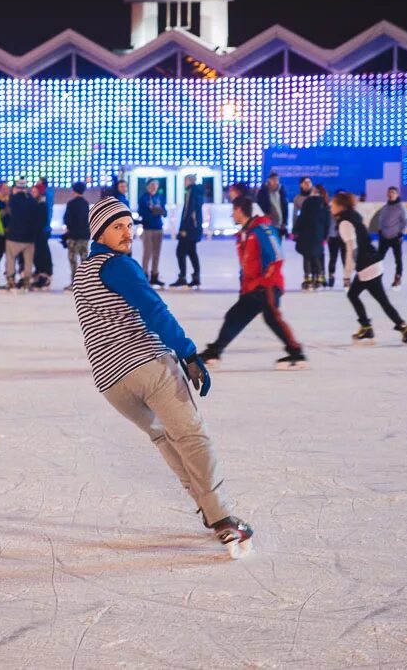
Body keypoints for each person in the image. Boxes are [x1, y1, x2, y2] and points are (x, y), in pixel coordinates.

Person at [71, 196, 254, 554]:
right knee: (191, 436)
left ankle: (207, 509)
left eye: (128, 225)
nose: (127, 233)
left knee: (164, 439)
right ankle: (221, 518)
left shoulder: (83, 271)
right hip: (145, 365)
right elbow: (154, 310)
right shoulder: (119, 265)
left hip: (111, 383)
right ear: (100, 233)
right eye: (117, 227)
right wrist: (187, 352)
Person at [198, 196, 307, 370]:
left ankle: (297, 354)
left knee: (272, 318)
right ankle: (214, 352)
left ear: (240, 210)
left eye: (233, 210)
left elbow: (277, 257)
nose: (232, 214)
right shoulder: (246, 234)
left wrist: (265, 282)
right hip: (253, 288)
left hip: (267, 286)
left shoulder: (262, 230)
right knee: (234, 316)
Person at [331, 192, 407, 344]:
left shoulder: (345, 223)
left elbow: (352, 250)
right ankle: (402, 329)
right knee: (374, 299)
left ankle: (369, 328)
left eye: (333, 204)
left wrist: (346, 275)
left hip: (367, 267)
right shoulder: (354, 216)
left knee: (359, 296)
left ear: (340, 206)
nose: (330, 207)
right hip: (375, 262)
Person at [292, 182, 329, 290]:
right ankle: (318, 277)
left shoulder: (308, 202)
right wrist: (325, 235)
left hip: (306, 233)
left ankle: (308, 278)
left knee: (307, 256)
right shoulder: (325, 204)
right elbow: (327, 222)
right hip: (318, 234)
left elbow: (301, 217)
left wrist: (295, 230)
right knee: (316, 256)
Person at [2, 177, 37, 291]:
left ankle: (11, 281)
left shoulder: (12, 199)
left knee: (11, 258)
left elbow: (8, 214)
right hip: (29, 237)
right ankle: (26, 281)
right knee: (28, 261)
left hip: (14, 236)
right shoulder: (32, 200)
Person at [170, 174, 203, 289]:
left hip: (189, 228)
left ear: (189, 181)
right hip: (195, 227)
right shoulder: (198, 192)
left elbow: (188, 210)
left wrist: (183, 228)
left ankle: (183, 277)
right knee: (192, 252)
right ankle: (196, 277)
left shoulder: (191, 192)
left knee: (180, 251)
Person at [377, 186, 407, 289]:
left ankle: (398, 278)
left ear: (397, 194)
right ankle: (376, 278)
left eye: (393, 192)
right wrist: (380, 231)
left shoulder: (401, 207)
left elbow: (406, 221)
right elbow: (381, 220)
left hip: (395, 237)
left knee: (398, 259)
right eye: (389, 192)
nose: (391, 194)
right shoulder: (385, 207)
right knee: (378, 259)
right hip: (384, 237)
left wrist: (401, 234)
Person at [62, 181, 91, 291]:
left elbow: (67, 219)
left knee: (73, 259)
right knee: (84, 259)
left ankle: (75, 282)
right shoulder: (86, 203)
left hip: (73, 236)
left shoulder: (71, 204)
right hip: (84, 236)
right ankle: (85, 283)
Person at [137, 179, 166, 288]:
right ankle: (145, 275)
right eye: (152, 185)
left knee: (156, 253)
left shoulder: (160, 197)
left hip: (158, 227)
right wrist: (151, 212)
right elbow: (140, 212)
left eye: (156, 185)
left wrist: (162, 211)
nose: (154, 187)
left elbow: (165, 211)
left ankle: (155, 275)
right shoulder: (143, 198)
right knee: (147, 253)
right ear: (148, 186)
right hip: (148, 228)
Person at [31, 179, 54, 290]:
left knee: (42, 254)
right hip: (40, 232)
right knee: (39, 254)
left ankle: (44, 276)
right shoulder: (39, 202)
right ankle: (41, 274)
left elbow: (43, 218)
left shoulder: (42, 203)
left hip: (41, 232)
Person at [326, 187, 348, 288]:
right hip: (333, 236)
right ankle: (331, 277)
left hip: (345, 237)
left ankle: (346, 279)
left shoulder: (348, 209)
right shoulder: (331, 207)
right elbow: (327, 223)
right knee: (333, 258)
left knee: (345, 259)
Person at [256, 172, 288, 238]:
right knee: (269, 239)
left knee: (278, 242)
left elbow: (285, 207)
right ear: (269, 180)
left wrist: (285, 222)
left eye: (277, 179)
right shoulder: (263, 192)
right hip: (268, 223)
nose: (275, 181)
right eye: (273, 179)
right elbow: (259, 206)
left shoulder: (281, 191)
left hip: (280, 223)